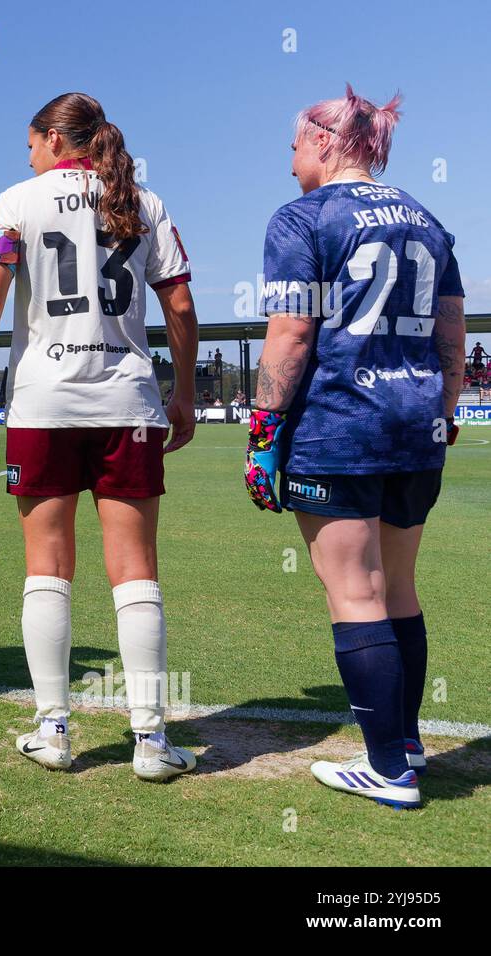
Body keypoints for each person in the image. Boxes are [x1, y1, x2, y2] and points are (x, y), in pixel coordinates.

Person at [0, 92, 201, 780]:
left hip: (44, 406)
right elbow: (178, 302)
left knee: (46, 567)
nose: (28, 155)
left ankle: (54, 729)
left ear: (56, 141)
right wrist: (183, 390)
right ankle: (150, 741)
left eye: (32, 142)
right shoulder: (144, 202)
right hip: (128, 404)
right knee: (136, 570)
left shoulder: (17, 201)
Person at [245, 85, 465, 808]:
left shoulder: (302, 219)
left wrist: (265, 435)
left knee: (354, 593)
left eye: (294, 144)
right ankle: (404, 743)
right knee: (397, 587)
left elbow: (292, 334)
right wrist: (442, 410)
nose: (289, 159)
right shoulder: (429, 221)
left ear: (324, 140)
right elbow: (451, 341)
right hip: (415, 427)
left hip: (340, 426)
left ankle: (388, 770)